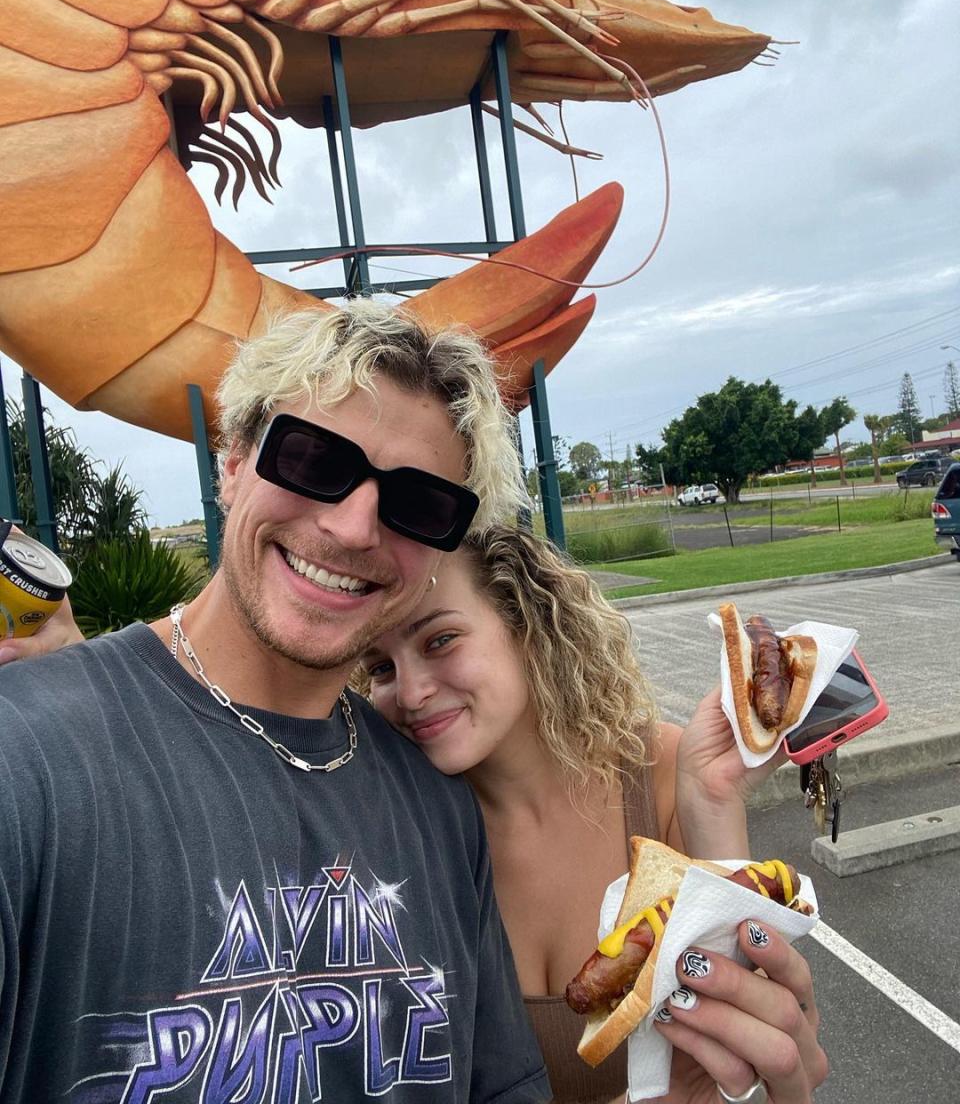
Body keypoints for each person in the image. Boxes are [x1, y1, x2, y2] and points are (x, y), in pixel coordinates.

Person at [0, 301, 553, 1103]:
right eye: (315, 461)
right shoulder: (27, 759)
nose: (357, 524)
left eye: (419, 503)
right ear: (232, 462)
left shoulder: (436, 804)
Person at [356, 526, 828, 1104]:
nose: (409, 692)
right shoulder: (393, 835)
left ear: (528, 628)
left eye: (439, 640)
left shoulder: (662, 775)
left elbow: (734, 1068)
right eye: (379, 667)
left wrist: (712, 802)